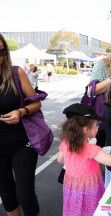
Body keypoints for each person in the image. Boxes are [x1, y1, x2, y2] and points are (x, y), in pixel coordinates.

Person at [57, 103, 111, 216]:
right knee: (91, 211)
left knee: (74, 211)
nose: (98, 127)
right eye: (96, 125)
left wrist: (79, 163)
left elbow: (60, 160)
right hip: (89, 189)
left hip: (72, 188)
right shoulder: (91, 149)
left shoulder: (66, 143)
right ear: (85, 130)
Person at [0, 34, 41, 216]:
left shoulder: (17, 73)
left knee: (25, 195)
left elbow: (36, 103)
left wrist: (21, 111)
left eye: (1, 51)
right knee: (7, 197)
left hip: (23, 142)